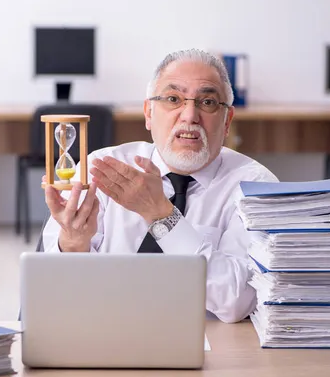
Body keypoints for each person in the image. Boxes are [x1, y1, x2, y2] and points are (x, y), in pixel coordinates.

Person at [39, 48, 278, 323]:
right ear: (148, 112)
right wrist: (73, 243)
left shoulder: (256, 188)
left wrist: (162, 216)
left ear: (227, 122)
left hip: (210, 351)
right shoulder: (102, 167)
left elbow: (238, 302)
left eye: (208, 102)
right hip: (103, 334)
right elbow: (56, 292)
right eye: (173, 99)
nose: (189, 115)